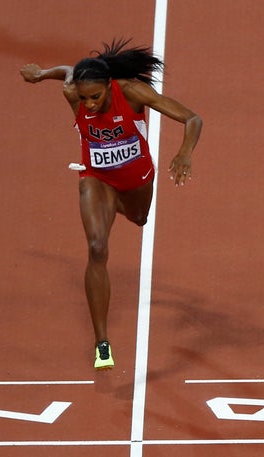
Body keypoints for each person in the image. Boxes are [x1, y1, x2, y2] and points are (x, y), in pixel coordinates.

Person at [20, 39, 202, 370]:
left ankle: (117, 205)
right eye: (84, 97)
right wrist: (41, 74)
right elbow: (69, 73)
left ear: (109, 86)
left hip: (137, 178)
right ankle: (102, 342)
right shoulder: (73, 92)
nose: (88, 105)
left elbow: (192, 118)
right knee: (97, 247)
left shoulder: (131, 92)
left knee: (140, 218)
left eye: (96, 97)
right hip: (96, 177)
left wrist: (184, 153)